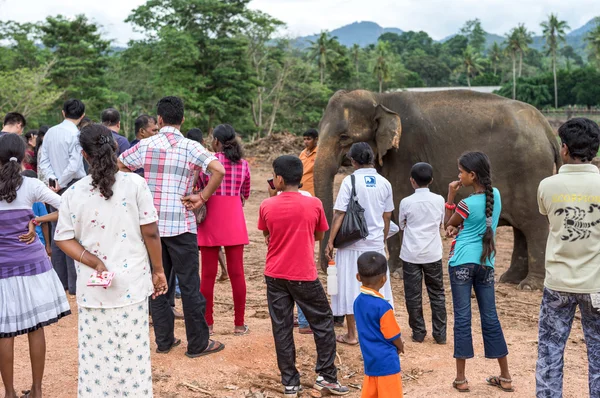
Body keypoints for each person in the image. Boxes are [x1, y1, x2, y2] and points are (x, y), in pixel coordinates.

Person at [53, 124, 168, 397]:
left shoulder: (73, 194)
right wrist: (159, 270)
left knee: (96, 356)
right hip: (133, 285)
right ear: (116, 147)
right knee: (133, 355)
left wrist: (92, 261)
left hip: (93, 290)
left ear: (84, 155)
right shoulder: (136, 184)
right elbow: (150, 232)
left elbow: (63, 239)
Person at [119, 96, 226, 358]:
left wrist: (138, 192)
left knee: (157, 282)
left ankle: (164, 341)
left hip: (151, 227)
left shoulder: (146, 144)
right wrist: (202, 197)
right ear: (182, 120)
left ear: (159, 120)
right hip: (182, 224)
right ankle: (197, 343)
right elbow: (218, 170)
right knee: (189, 284)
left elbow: (119, 164)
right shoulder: (191, 146)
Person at [258, 155, 349, 397]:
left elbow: (267, 234)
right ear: (300, 178)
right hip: (303, 274)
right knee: (322, 322)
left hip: (275, 274)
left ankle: (290, 382)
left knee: (282, 327)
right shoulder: (315, 204)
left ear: (278, 179)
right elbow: (318, 236)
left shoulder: (267, 205)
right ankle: (327, 376)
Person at [0, 134, 70, 398]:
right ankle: (38, 391)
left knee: (4, 331)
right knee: (35, 326)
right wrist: (37, 220)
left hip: (2, 268)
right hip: (33, 265)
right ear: (24, 156)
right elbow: (68, 207)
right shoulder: (30, 185)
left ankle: (9, 393)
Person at [536, 118, 600, 398]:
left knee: (550, 352)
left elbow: (549, 218)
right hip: (597, 284)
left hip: (558, 284)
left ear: (564, 149)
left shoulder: (547, 186)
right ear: (595, 150)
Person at [444, 151, 513, 393]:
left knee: (462, 318)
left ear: (472, 175)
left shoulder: (465, 203)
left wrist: (451, 196)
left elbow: (447, 227)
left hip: (461, 262)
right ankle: (505, 376)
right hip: (486, 263)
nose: (459, 176)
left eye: (461, 172)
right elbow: (480, 223)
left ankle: (461, 379)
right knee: (490, 317)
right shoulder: (496, 196)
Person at [326, 142, 395, 346]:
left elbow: (340, 213)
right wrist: (383, 242)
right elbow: (387, 216)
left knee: (350, 288)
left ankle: (352, 334)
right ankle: (379, 332)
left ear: (353, 161)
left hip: (351, 244)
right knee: (378, 289)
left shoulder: (350, 180)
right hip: (374, 244)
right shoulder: (384, 183)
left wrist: (330, 242)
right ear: (372, 159)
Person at [196, 124, 250, 335]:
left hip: (211, 217)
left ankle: (208, 323)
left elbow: (200, 186)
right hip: (234, 217)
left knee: (207, 275)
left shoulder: (208, 163)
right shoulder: (244, 164)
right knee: (237, 273)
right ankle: (239, 324)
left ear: (216, 141)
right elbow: (245, 192)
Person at [39, 98, 87, 295]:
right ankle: (75, 285)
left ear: (62, 112)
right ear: (82, 115)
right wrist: (62, 181)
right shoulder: (76, 134)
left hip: (53, 187)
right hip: (72, 185)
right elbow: (75, 165)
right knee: (74, 233)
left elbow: (43, 160)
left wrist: (53, 180)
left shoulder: (50, 132)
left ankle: (60, 283)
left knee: (58, 231)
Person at [398, 162, 447, 344]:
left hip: (411, 254)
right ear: (431, 180)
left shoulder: (406, 202)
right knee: (437, 293)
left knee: (413, 294)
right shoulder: (439, 200)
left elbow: (402, 225)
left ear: (412, 181)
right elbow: (442, 223)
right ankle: (440, 334)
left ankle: (418, 332)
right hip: (433, 253)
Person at [354, 252, 404, 398]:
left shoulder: (357, 302)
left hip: (370, 361)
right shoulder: (383, 307)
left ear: (358, 277)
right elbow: (393, 334)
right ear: (384, 279)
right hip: (387, 363)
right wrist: (400, 346)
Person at [186, 127, 228, 282]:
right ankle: (224, 270)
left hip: (198, 202)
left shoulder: (192, 154)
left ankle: (195, 274)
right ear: (203, 141)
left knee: (201, 241)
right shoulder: (207, 155)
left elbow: (196, 181)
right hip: (208, 202)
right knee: (214, 240)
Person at [21, 170, 52, 257]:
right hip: (39, 242)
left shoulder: (17, 200)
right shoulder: (38, 201)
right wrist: (48, 245)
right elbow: (45, 223)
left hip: (22, 240)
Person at [299, 128, 318, 196]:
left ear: (316, 139)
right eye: (304, 139)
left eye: (309, 139)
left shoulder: (319, 154)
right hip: (301, 189)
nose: (306, 142)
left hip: (312, 191)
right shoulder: (302, 153)